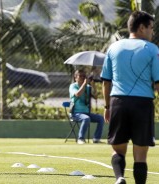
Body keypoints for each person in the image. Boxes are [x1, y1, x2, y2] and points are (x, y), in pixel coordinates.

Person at [101, 11, 159, 184]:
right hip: (142, 103)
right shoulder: (152, 50)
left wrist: (107, 107)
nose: (152, 32)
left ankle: (119, 178)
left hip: (118, 102)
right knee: (140, 155)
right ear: (141, 28)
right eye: (151, 28)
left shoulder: (114, 48)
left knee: (118, 149)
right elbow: (158, 83)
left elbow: (106, 81)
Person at [69, 69, 104, 144]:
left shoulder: (88, 87)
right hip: (75, 113)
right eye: (80, 76)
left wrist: (93, 85)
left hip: (86, 112)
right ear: (75, 78)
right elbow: (77, 94)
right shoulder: (73, 86)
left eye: (84, 76)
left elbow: (95, 97)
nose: (82, 77)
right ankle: (80, 139)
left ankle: (96, 139)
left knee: (100, 118)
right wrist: (84, 84)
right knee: (86, 118)